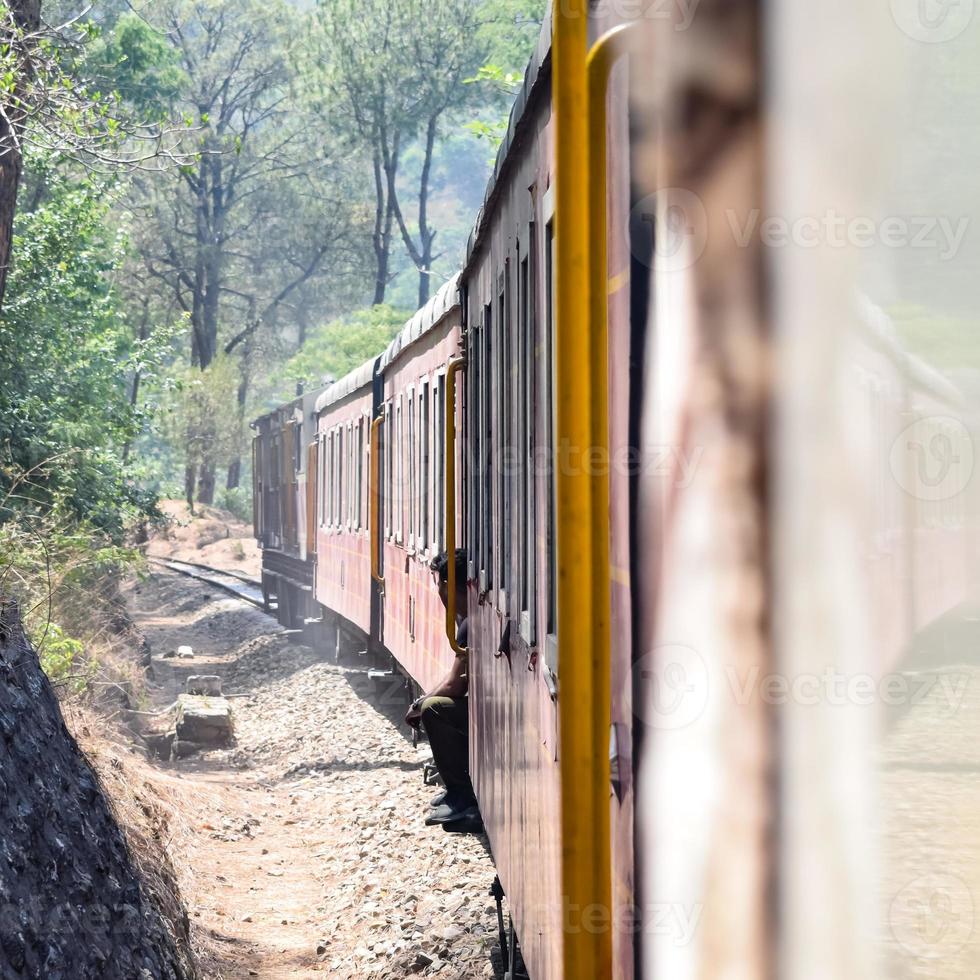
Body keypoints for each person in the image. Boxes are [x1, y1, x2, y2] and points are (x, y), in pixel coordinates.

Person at [405, 549, 478, 826]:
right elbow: (453, 679)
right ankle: (455, 792)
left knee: (434, 709)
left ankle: (461, 795)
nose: (437, 591)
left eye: (438, 583)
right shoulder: (467, 620)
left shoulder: (469, 623)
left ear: (447, 585)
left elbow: (455, 686)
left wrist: (418, 705)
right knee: (431, 703)